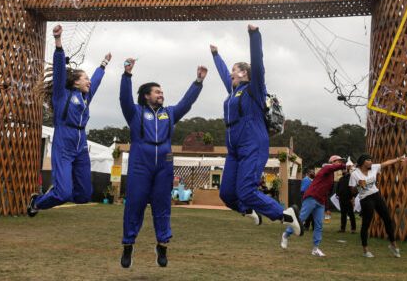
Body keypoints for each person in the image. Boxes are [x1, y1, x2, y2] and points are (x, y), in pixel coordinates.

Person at [210, 24, 301, 235]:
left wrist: (254, 35)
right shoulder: (234, 92)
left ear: (243, 73)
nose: (231, 74)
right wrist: (216, 55)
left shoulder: (254, 90)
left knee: (246, 190)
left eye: (235, 70)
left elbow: (258, 65)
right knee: (227, 194)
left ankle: (286, 214)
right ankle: (248, 209)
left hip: (253, 143)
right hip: (234, 149)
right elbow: (224, 74)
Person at [119, 57, 207, 268]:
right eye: (157, 92)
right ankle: (128, 246)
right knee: (135, 204)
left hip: (164, 165)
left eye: (162, 92)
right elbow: (123, 98)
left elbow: (187, 103)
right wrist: (127, 75)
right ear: (147, 95)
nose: (161, 95)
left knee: (162, 205)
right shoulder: (135, 112)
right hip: (141, 161)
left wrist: (198, 82)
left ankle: (162, 245)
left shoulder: (169, 113)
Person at [27, 24, 110, 216]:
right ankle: (37, 202)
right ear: (75, 82)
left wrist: (103, 64)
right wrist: (58, 43)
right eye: (85, 78)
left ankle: (58, 192)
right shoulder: (61, 95)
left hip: (81, 145)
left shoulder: (85, 97)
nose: (89, 81)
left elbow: (96, 82)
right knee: (63, 193)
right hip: (64, 143)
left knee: (84, 195)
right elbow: (58, 71)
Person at [281, 155, 350, 256]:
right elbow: (334, 167)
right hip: (311, 197)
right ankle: (285, 235)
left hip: (320, 201)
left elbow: (326, 192)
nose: (340, 163)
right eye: (339, 161)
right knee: (301, 219)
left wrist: (327, 207)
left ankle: (315, 249)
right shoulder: (327, 167)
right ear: (333, 162)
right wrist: (345, 165)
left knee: (319, 225)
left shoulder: (332, 174)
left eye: (341, 162)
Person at [350, 153, 407, 258]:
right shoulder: (355, 174)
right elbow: (352, 189)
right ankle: (365, 250)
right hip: (365, 198)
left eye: (371, 160)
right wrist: (359, 185)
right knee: (366, 224)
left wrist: (398, 159)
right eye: (368, 160)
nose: (371, 162)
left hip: (376, 195)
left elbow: (385, 163)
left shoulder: (373, 168)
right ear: (363, 162)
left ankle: (393, 245)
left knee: (387, 219)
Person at [336, 164, 357, 233]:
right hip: (341, 199)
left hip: (349, 198)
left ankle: (353, 229)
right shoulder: (341, 179)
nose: (343, 171)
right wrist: (337, 194)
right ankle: (342, 228)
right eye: (342, 170)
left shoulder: (351, 178)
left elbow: (353, 189)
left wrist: (353, 197)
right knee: (343, 214)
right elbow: (338, 188)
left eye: (344, 169)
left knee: (351, 214)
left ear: (347, 171)